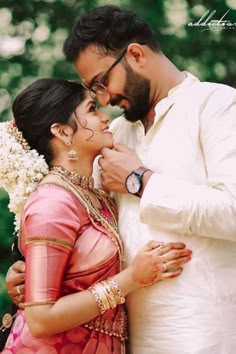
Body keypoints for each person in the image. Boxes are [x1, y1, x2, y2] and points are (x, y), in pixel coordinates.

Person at [6, 4, 236, 354]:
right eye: (92, 92)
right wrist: (35, 274)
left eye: (101, 82)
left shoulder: (216, 106)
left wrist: (141, 182)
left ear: (136, 54)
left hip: (205, 336)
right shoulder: (113, 134)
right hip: (123, 342)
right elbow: (79, 227)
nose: (104, 98)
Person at [0, 78, 192, 354]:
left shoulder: (94, 192)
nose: (105, 117)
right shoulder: (53, 202)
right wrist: (133, 278)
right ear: (63, 132)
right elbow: (41, 319)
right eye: (91, 109)